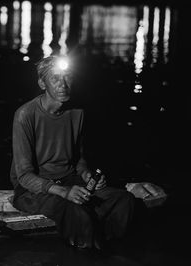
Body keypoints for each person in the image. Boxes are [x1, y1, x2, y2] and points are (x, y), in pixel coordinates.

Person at [10, 55, 135, 250]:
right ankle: (86, 254)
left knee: (123, 199)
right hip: (33, 190)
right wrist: (64, 192)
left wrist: (86, 175)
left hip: (70, 180)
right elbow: (24, 176)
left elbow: (78, 159)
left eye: (67, 76)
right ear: (42, 83)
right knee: (78, 212)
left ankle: (111, 250)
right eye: (55, 78)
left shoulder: (77, 112)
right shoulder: (25, 115)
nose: (63, 84)